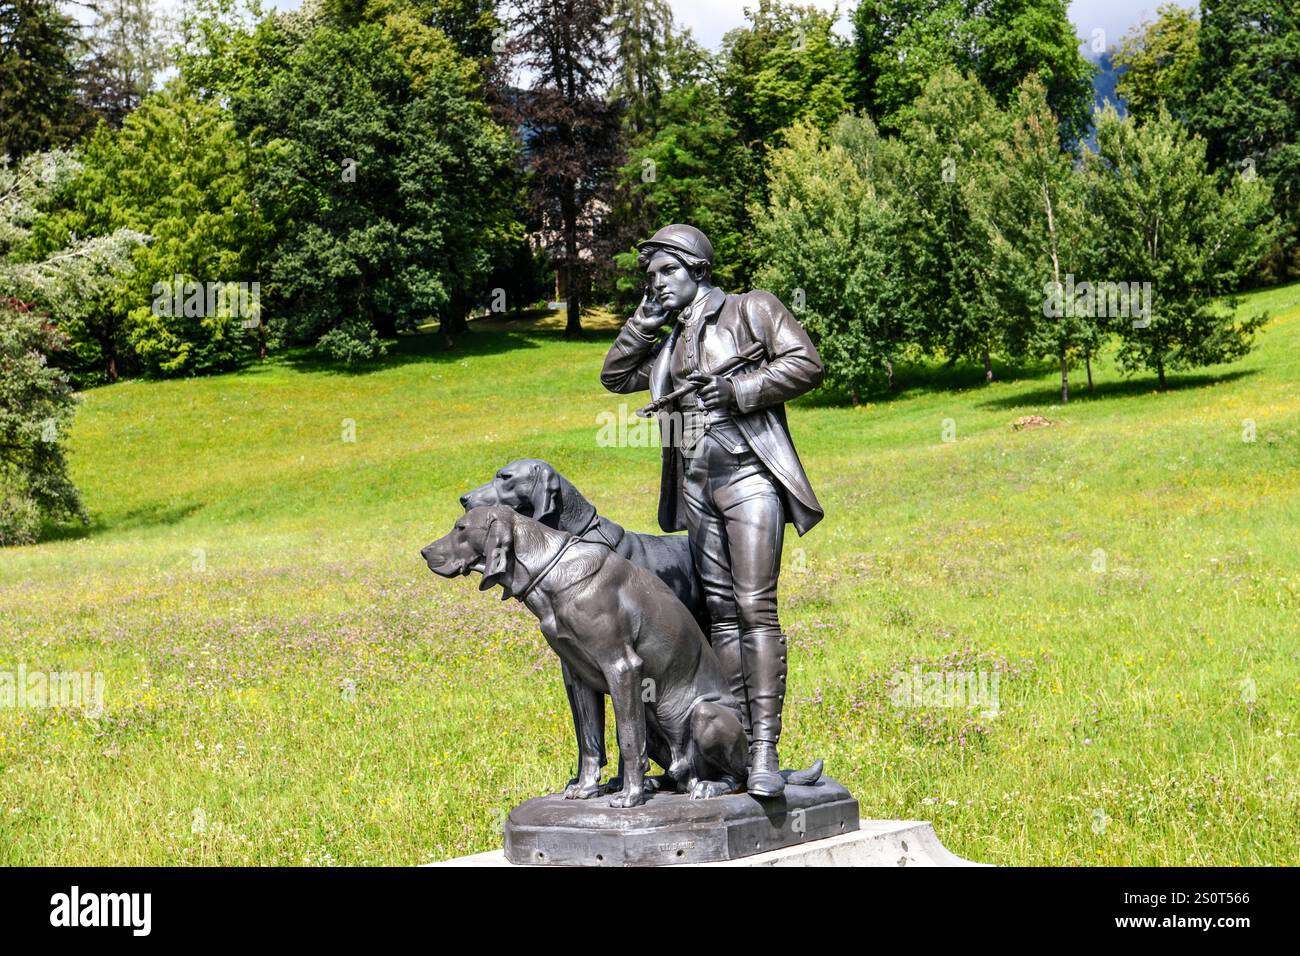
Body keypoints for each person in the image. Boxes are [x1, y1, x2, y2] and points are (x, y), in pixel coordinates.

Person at [600, 224, 824, 797]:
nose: (655, 285)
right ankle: (738, 756)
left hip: (749, 473)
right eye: (649, 277)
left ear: (696, 266)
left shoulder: (752, 309)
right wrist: (645, 322)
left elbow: (805, 363)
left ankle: (767, 754)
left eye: (664, 273)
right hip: (697, 481)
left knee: (755, 608)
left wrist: (739, 391)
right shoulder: (669, 336)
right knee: (720, 615)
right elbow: (616, 376)